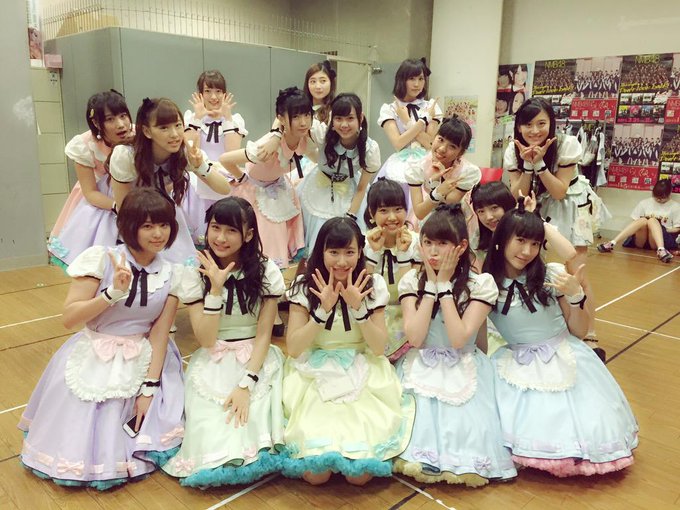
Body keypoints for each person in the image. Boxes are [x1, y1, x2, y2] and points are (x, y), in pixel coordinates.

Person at [19, 188, 186, 489]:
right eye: (148, 225)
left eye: (164, 225)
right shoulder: (102, 259)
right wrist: (111, 294)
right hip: (95, 351)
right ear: (129, 226)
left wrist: (150, 388)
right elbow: (70, 318)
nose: (158, 234)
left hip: (144, 357)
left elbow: (160, 334)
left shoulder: (173, 273)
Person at [483, 207, 638, 477]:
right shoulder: (486, 285)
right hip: (517, 362)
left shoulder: (551, 275)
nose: (527, 251)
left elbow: (579, 330)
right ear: (502, 238)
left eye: (535, 243)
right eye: (520, 240)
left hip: (564, 354)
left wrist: (577, 296)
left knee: (585, 424)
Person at [281, 217, 415, 485]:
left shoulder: (372, 284)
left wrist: (359, 309)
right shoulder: (304, 286)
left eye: (349, 252)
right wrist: (321, 312)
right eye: (334, 252)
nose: (342, 262)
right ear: (321, 251)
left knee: (360, 477)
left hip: (362, 368)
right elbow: (294, 348)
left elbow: (378, 347)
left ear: (360, 252)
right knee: (316, 475)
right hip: (314, 372)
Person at [163, 197, 286, 486]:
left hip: (256, 360)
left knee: (252, 419)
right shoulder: (195, 273)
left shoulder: (266, 271)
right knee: (213, 427)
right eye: (215, 228)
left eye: (231, 230)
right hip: (214, 360)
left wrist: (246, 383)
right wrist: (215, 290)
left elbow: (264, 334)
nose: (220, 237)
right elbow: (206, 339)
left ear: (249, 235)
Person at [394, 204, 516, 486]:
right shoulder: (411, 280)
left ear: (461, 247)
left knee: (468, 432)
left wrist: (445, 288)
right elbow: (415, 338)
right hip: (421, 361)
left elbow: (459, 338)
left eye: (442, 244)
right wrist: (431, 287)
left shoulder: (480, 284)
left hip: (463, 362)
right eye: (427, 243)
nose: (433, 252)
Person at [504, 96, 609, 353]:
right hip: (538, 205)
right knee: (538, 267)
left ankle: (589, 332)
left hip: (570, 204)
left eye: (541, 123)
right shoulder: (512, 149)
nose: (535, 130)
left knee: (576, 271)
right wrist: (527, 165)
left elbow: (560, 191)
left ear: (551, 123)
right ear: (519, 126)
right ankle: (551, 324)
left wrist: (540, 164)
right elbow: (517, 194)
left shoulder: (566, 144)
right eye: (528, 124)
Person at [110, 98, 237, 266]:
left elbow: (224, 189)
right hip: (136, 221)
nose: (175, 134)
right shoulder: (126, 155)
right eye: (164, 128)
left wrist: (200, 166)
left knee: (180, 270)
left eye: (178, 125)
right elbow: (124, 209)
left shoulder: (184, 152)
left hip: (167, 217)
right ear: (147, 131)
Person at [219, 87, 316, 269]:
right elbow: (225, 159)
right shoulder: (267, 147)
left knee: (280, 244)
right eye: (296, 117)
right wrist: (242, 178)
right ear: (282, 118)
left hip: (279, 187)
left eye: (306, 115)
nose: (303, 122)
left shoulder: (305, 138)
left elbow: (315, 156)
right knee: (262, 249)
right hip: (254, 194)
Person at [48, 90, 133, 267]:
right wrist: (118, 207)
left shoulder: (140, 134)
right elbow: (90, 192)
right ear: (96, 122)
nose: (120, 124)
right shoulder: (84, 145)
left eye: (123, 116)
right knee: (99, 264)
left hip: (135, 197)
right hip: (101, 204)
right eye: (110, 119)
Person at [298, 93, 380, 250]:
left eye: (350, 118)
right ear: (332, 119)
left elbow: (362, 188)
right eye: (338, 118)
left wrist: (351, 215)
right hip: (317, 188)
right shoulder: (322, 135)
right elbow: (298, 119)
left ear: (360, 118)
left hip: (351, 193)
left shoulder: (370, 149)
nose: (344, 124)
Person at [183, 70, 248, 236]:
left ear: (225, 93)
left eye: (218, 91)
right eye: (208, 91)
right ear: (200, 94)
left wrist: (227, 118)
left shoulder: (235, 119)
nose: (213, 97)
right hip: (199, 179)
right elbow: (190, 150)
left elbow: (232, 153)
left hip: (226, 181)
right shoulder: (191, 118)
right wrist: (198, 119)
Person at [375, 58, 442, 213]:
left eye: (421, 79)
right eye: (411, 78)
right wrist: (422, 123)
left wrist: (407, 121)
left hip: (426, 164)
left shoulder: (431, 106)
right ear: (401, 79)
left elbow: (430, 144)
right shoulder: (390, 109)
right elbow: (398, 143)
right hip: (400, 164)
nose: (417, 84)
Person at [363, 178, 420, 361]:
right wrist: (373, 253)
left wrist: (403, 256)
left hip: (408, 312)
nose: (393, 217)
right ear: (371, 213)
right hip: (374, 313)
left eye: (398, 209)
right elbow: (364, 291)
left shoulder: (417, 243)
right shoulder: (362, 244)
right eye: (384, 210)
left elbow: (411, 293)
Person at [406, 116, 480, 226]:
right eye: (440, 139)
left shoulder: (467, 172)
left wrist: (440, 183)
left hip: (458, 221)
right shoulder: (417, 167)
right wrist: (439, 188)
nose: (442, 149)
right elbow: (420, 213)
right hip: (429, 217)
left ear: (461, 153)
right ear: (434, 137)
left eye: (452, 146)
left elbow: (450, 202)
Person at [597, 178, 680, 262]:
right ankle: (612, 243)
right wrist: (648, 225)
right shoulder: (645, 203)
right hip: (642, 239)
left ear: (669, 194)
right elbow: (635, 222)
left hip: (660, 239)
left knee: (652, 220)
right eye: (656, 197)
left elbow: (677, 228)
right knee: (643, 220)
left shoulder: (675, 206)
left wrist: (659, 229)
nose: (659, 199)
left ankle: (661, 249)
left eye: (662, 198)